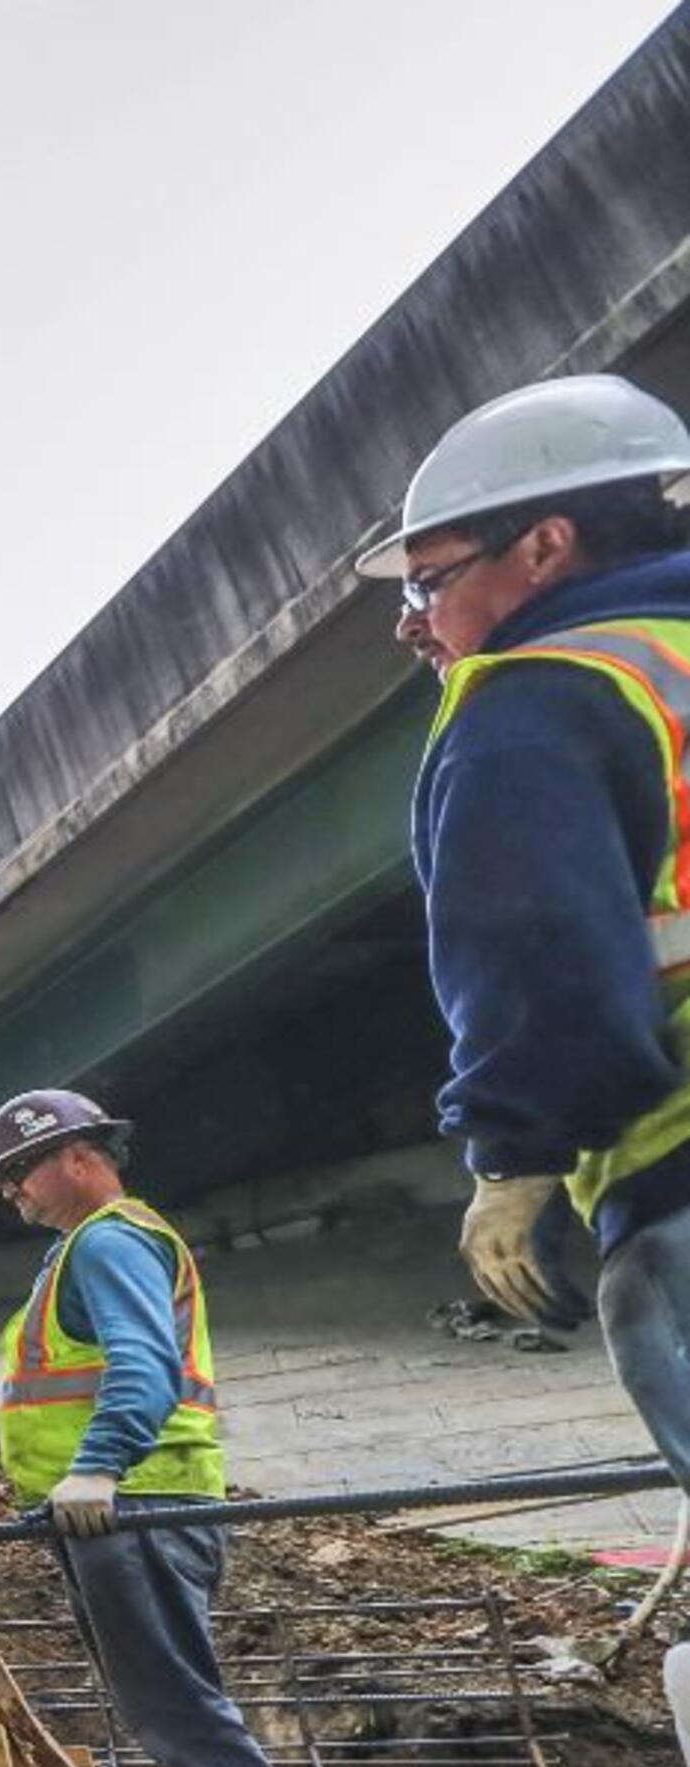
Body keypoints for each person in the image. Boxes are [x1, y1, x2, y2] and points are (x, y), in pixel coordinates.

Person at [0, 1089, 386, 1767]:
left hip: (134, 1507)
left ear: (80, 1156)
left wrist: (101, 1465)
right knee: (180, 1714)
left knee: (185, 1716)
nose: (13, 1194)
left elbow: (143, 1364)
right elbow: (81, 1377)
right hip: (126, 1508)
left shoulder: (109, 1239)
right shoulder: (89, 1251)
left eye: (20, 1172)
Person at [367, 374, 690, 1491]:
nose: (413, 624)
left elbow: (541, 951)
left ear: (545, 548)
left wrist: (516, 1154)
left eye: (428, 582)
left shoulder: (534, 698)